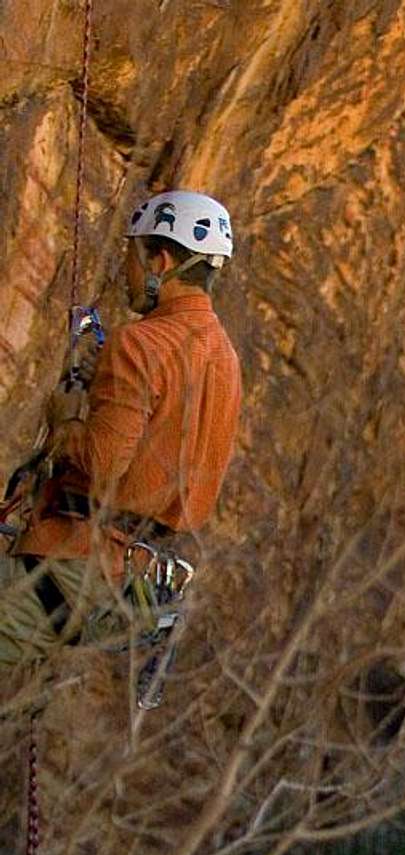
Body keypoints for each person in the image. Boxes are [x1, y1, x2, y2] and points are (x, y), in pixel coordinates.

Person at [0, 189, 242, 663]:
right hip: (139, 578)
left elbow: (104, 465)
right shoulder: (225, 357)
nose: (125, 272)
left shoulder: (140, 343)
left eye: (133, 257)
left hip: (77, 562)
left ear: (161, 261)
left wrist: (67, 420)